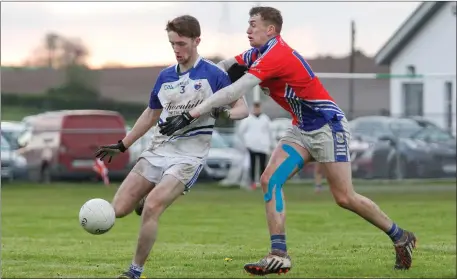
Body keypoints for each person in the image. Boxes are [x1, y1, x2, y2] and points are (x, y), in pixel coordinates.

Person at [157, 6, 417, 276]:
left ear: (270, 30)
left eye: (253, 24)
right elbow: (222, 70)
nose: (248, 30)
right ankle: (279, 254)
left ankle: (401, 236)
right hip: (301, 129)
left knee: (344, 197)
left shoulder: (277, 53)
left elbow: (236, 88)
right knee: (270, 180)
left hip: (328, 126)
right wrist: (191, 81)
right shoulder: (255, 53)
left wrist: (192, 113)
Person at [94, 15, 249, 279]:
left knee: (153, 206)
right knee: (117, 211)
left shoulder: (215, 74)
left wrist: (219, 112)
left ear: (196, 41)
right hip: (158, 151)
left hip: (189, 157)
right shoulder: (165, 76)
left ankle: (134, 271)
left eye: (181, 43)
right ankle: (145, 193)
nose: (177, 49)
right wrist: (123, 144)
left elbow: (242, 109)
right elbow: (151, 114)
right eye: (172, 44)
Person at [238, 101, 274, 190]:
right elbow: (241, 131)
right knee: (253, 164)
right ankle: (252, 183)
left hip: (263, 146)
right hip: (252, 145)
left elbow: (270, 132)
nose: (257, 109)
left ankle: (263, 183)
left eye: (258, 108)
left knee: (263, 165)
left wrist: (271, 144)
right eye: (255, 108)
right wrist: (245, 142)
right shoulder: (248, 119)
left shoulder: (265, 119)